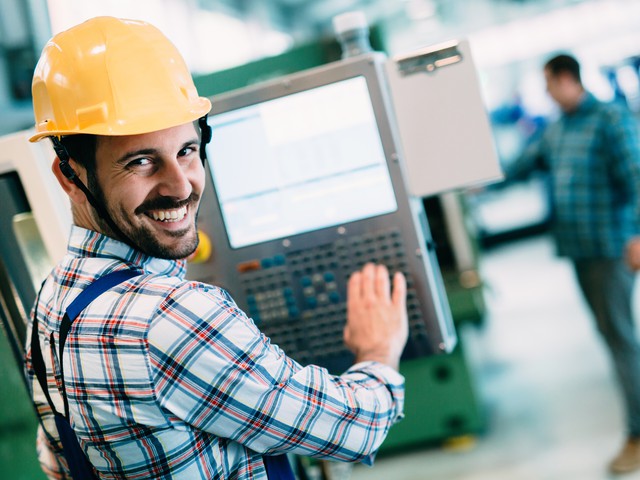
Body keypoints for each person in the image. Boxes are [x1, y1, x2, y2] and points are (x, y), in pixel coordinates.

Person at [24, 16, 409, 479]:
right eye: (142, 162)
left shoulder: (51, 303)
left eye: (187, 150)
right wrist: (378, 353)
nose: (180, 186)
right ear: (70, 176)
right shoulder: (176, 316)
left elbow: (57, 463)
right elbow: (355, 429)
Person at [506, 53, 640, 474]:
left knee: (620, 339)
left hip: (610, 248)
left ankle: (637, 435)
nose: (546, 94)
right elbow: (522, 165)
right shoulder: (558, 128)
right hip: (579, 250)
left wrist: (638, 234)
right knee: (611, 335)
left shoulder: (609, 119)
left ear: (566, 79)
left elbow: (636, 176)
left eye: (548, 84)